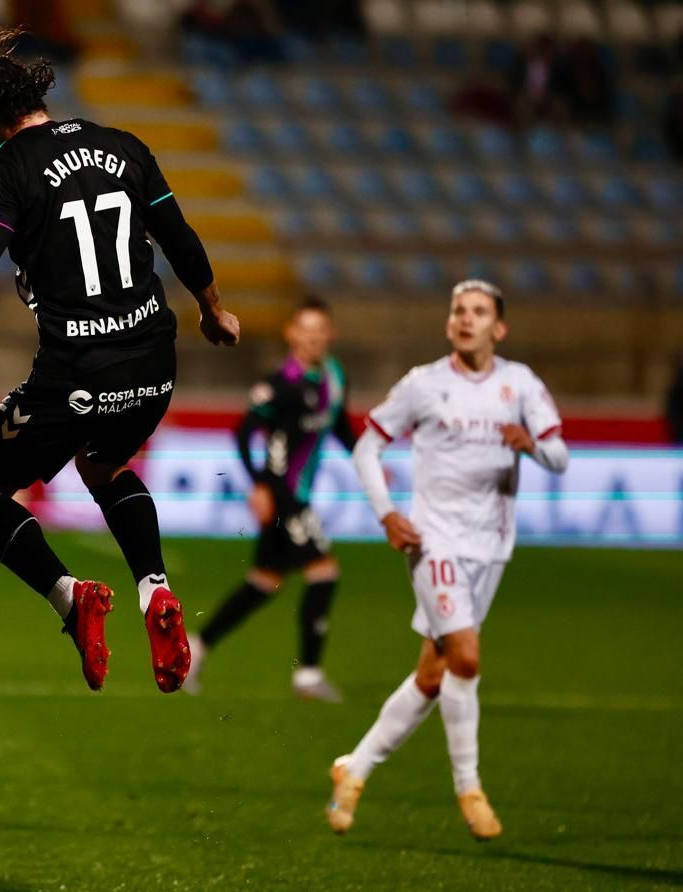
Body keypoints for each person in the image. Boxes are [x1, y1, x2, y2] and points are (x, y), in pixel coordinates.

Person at [0, 26, 240, 695]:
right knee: (103, 464)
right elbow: (180, 238)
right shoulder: (123, 145)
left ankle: (69, 598)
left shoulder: (5, 169)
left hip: (75, 374)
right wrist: (214, 309)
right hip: (154, 364)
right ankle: (154, 588)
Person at [327, 280, 568, 840]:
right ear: (448, 324)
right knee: (466, 657)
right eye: (459, 310)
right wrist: (387, 513)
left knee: (433, 674)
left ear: (498, 328)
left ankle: (354, 768)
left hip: (492, 546)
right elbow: (367, 445)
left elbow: (559, 455)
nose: (466, 319)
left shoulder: (520, 385)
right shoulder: (424, 385)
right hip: (432, 542)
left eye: (479, 312)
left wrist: (529, 445)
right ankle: (469, 787)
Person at [185, 298, 355, 700]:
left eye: (320, 332)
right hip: (284, 493)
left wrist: (368, 458)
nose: (313, 339)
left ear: (331, 334)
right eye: (305, 331)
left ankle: (197, 646)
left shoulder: (333, 376)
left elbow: (341, 427)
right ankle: (308, 676)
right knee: (324, 572)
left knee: (263, 582)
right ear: (291, 333)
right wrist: (260, 484)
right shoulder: (281, 383)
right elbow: (244, 432)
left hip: (297, 493)